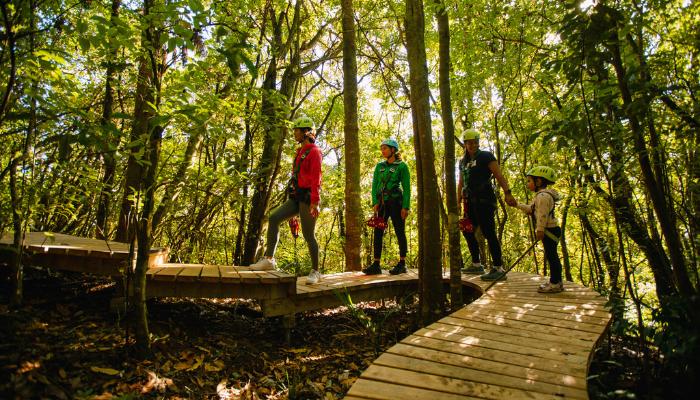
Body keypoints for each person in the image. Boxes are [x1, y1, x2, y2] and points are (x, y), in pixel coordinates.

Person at [249, 115, 323, 285]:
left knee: (308, 235)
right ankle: (269, 260)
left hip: (309, 197)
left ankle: (316, 271)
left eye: (297, 130)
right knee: (274, 218)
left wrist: (315, 201)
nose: (294, 133)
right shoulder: (299, 152)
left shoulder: (315, 152)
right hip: (297, 196)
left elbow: (316, 177)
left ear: (306, 132)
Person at [457, 129, 517, 281]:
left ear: (478, 143)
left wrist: (508, 192)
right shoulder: (462, 162)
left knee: (488, 232)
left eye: (475, 142)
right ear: (465, 144)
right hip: (469, 201)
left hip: (485, 200)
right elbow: (461, 182)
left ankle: (498, 267)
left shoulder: (486, 156)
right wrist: (457, 201)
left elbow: (498, 174)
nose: (473, 145)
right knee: (467, 231)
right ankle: (476, 264)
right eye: (469, 143)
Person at [511, 166, 564, 293]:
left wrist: (539, 230)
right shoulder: (541, 196)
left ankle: (555, 283)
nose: (527, 183)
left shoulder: (543, 196)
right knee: (552, 256)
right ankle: (556, 281)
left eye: (529, 181)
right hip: (550, 230)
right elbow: (532, 209)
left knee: (552, 257)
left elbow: (542, 215)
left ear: (538, 181)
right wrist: (517, 205)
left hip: (549, 230)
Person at [363, 139, 411, 275]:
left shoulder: (402, 166)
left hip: (396, 203)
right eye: (381, 148)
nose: (382, 151)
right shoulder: (379, 166)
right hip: (382, 203)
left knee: (399, 231)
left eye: (385, 148)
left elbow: (407, 188)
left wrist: (405, 207)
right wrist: (375, 202)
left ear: (393, 150)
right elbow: (374, 185)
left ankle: (402, 263)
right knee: (378, 231)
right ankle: (376, 264)